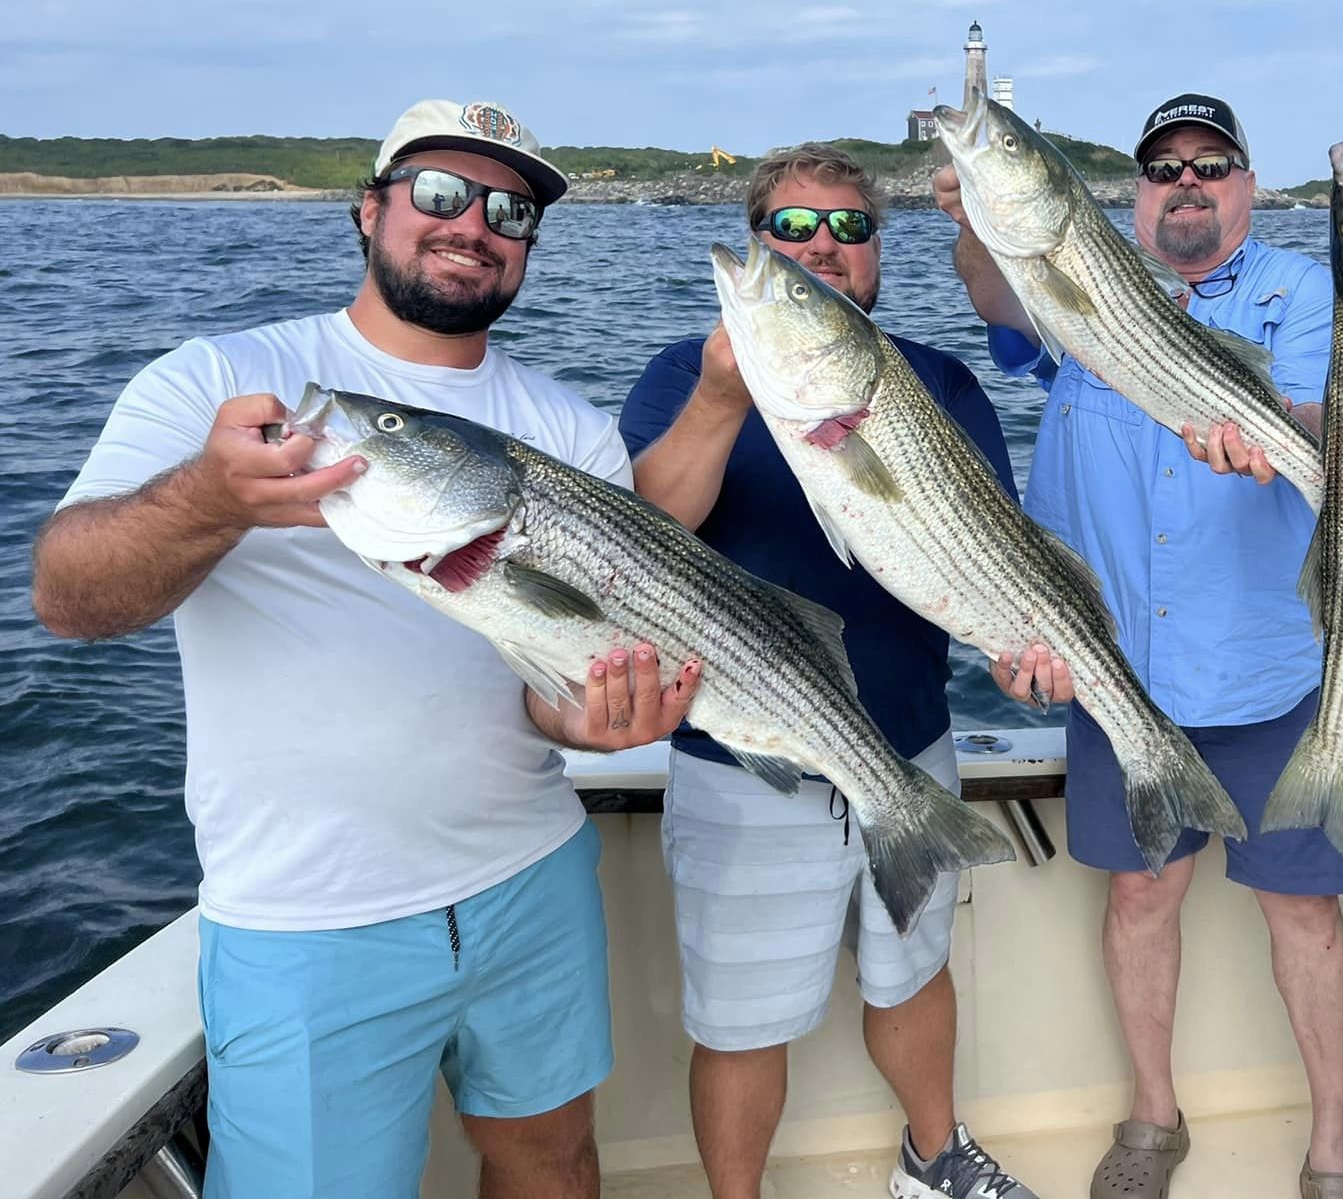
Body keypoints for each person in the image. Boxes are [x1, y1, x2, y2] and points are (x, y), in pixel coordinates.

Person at [30, 99, 701, 1198]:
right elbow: (69, 599)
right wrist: (209, 500)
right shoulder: (220, 380)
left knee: (554, 1163)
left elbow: (545, 680)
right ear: (368, 209)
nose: (472, 224)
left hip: (532, 873)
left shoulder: (571, 429)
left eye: (509, 211)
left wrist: (586, 720)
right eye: (439, 193)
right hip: (307, 914)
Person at [937, 95, 1343, 1199]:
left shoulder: (1300, 292)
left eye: (1210, 165)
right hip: (1118, 672)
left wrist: (1272, 432)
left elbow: (1325, 421)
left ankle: (1333, 1144)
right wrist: (977, 219)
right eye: (1163, 167)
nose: (1186, 182)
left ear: (1247, 186)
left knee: (1304, 910)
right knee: (1139, 899)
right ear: (1134, 194)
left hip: (1269, 667)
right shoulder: (1083, 288)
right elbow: (994, 295)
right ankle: (1152, 1118)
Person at [621, 142, 1042, 1199]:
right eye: (793, 229)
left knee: (915, 975)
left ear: (878, 251)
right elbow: (648, 530)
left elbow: (989, 551)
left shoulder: (940, 380)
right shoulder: (682, 375)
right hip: (746, 750)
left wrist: (1023, 646)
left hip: (910, 738)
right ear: (757, 242)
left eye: (849, 228)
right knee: (740, 1022)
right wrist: (723, 397)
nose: (822, 248)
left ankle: (934, 1162)